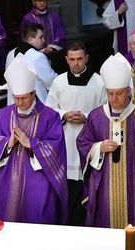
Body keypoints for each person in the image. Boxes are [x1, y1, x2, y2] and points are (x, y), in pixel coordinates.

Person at [76, 53, 135, 230]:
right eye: (110, 93)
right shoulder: (96, 116)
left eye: (119, 93)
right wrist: (99, 147)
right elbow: (83, 143)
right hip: (105, 187)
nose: (114, 98)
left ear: (129, 92)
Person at [0, 55, 67, 224]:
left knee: (39, 213)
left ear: (33, 93)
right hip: (9, 177)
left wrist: (31, 143)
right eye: (16, 98)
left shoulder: (50, 116)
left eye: (24, 98)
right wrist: (8, 143)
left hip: (39, 177)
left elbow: (56, 147)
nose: (20, 102)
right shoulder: (3, 115)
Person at [45, 43, 107, 226]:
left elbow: (106, 110)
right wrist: (64, 114)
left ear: (87, 58)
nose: (76, 63)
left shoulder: (99, 82)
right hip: (65, 141)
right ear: (66, 60)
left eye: (80, 59)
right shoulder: (59, 81)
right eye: (72, 59)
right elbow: (49, 111)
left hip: (90, 142)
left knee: (85, 187)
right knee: (69, 189)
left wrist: (87, 117)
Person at [5, 24, 57, 105]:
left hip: (14, 104)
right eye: (41, 37)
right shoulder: (37, 56)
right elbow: (51, 82)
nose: (44, 40)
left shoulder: (10, 54)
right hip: (36, 106)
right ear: (30, 39)